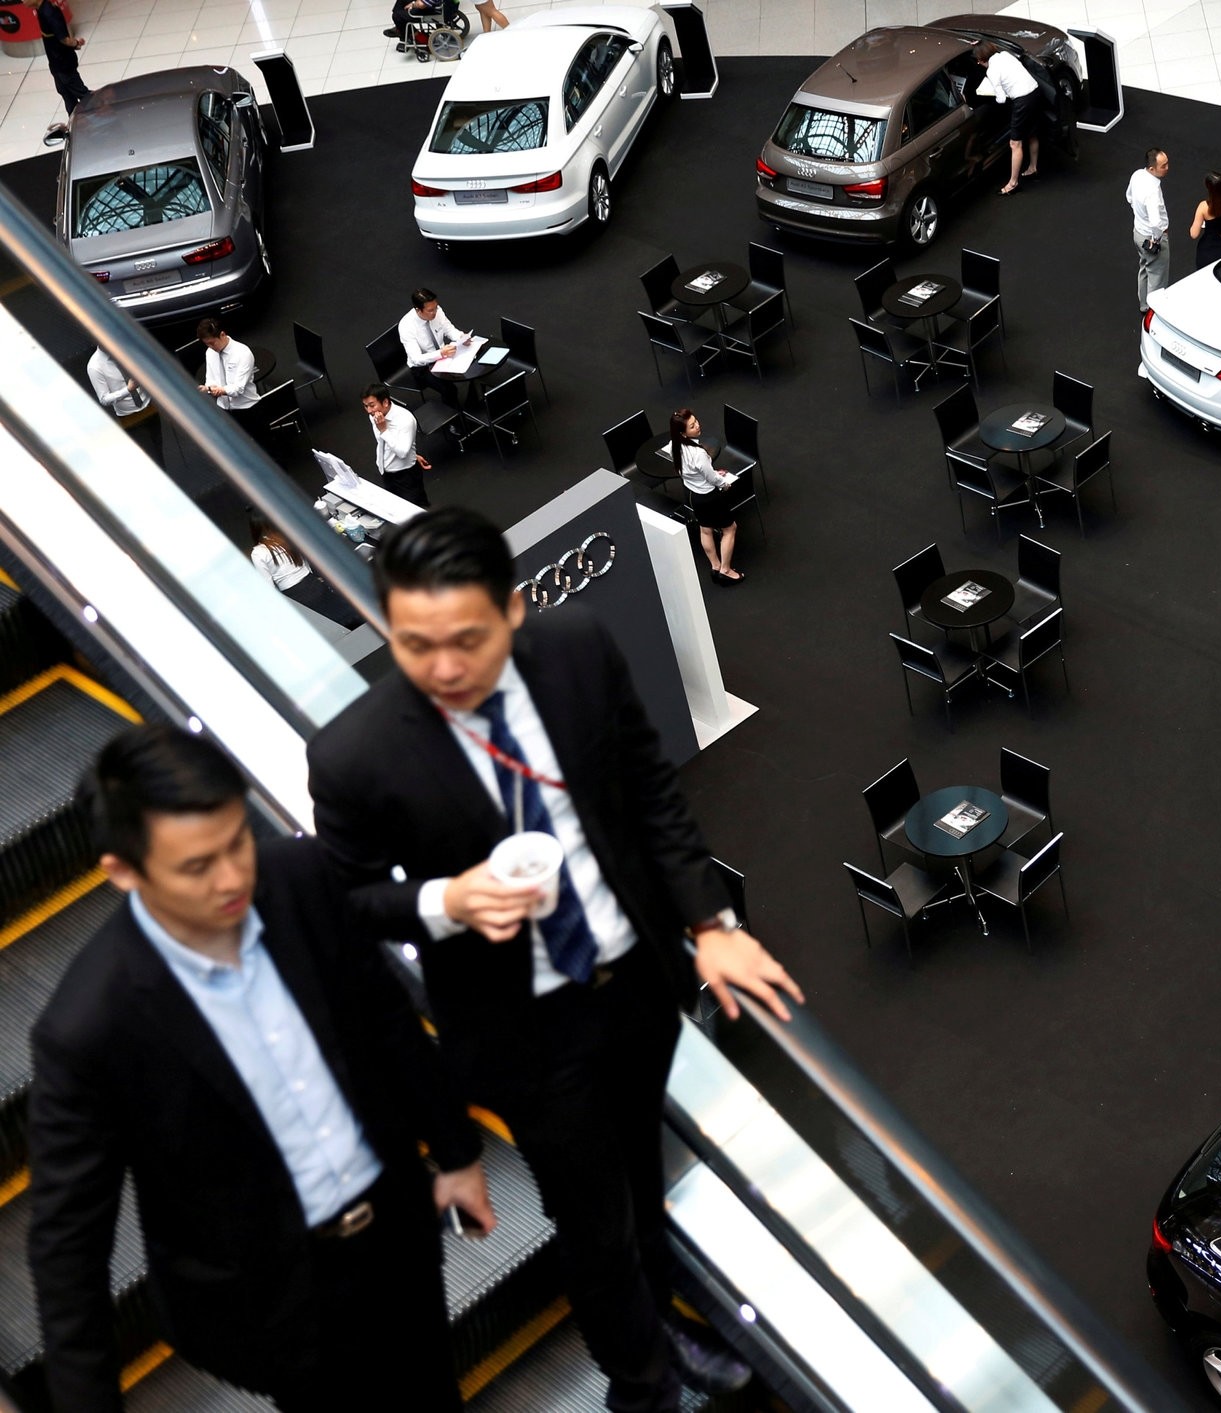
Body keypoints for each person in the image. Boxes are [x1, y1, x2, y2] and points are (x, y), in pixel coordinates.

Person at [305, 507, 803, 1411]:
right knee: (591, 1215)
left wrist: (710, 923)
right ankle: (639, 1382)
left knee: (639, 1175)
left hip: (637, 981)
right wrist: (443, 901)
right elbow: (347, 901)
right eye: (415, 645)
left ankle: (660, 1317)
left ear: (517, 608)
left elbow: (649, 788)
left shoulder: (576, 650)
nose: (444, 669)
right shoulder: (353, 755)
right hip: (522, 1027)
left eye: (467, 640)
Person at [29, 725, 493, 1413]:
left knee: (433, 1389)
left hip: (397, 1229)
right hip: (273, 1299)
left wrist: (456, 1152)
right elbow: (69, 1245)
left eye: (237, 842)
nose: (232, 878)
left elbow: (383, 1013)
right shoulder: (89, 1028)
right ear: (123, 871)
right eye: (196, 866)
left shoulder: (299, 878)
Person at [250, 511, 366, 629]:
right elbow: (306, 562)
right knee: (346, 614)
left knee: (329, 627)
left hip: (295, 595)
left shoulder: (259, 553)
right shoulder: (289, 537)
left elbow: (269, 588)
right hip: (313, 584)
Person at [672, 408, 743, 585]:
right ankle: (726, 570)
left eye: (696, 421)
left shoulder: (675, 448)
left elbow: (692, 473)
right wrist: (724, 483)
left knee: (706, 529)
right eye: (692, 425)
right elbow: (711, 478)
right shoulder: (698, 453)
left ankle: (715, 566)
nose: (697, 426)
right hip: (710, 497)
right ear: (683, 432)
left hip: (695, 496)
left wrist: (709, 473)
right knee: (730, 529)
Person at [973, 40, 1039, 195]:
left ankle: (1013, 183)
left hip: (1022, 100)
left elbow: (1001, 99)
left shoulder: (991, 71)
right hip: (1035, 91)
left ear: (982, 60)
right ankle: (1033, 167)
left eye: (978, 60)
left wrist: (994, 92)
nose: (978, 63)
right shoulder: (1005, 55)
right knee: (1032, 133)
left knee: (1015, 144)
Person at [86, 345, 161, 461]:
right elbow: (104, 399)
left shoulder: (124, 347)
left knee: (159, 448)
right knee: (149, 457)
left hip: (149, 404)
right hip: (130, 416)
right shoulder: (94, 366)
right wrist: (128, 390)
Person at [363, 382, 431, 506]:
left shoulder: (405, 419)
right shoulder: (375, 416)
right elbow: (383, 443)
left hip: (406, 476)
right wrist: (413, 454)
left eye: (372, 405)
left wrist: (383, 430)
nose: (369, 411)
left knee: (417, 512)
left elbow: (403, 452)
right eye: (366, 406)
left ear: (385, 402)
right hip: (386, 472)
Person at [1126, 147, 1170, 318]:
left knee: (1145, 267)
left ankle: (1144, 303)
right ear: (1152, 169)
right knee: (1157, 277)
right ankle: (1154, 313)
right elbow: (1156, 223)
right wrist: (1158, 239)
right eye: (1163, 166)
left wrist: (1139, 215)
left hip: (1138, 233)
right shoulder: (1152, 191)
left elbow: (1129, 197)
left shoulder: (1137, 175)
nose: (1167, 167)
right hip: (1152, 238)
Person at [195, 317, 260, 429]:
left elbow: (238, 389)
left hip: (246, 409)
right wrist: (207, 388)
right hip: (223, 410)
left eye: (212, 343)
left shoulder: (243, 353)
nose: (211, 347)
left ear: (222, 335)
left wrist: (219, 390)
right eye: (207, 344)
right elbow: (210, 380)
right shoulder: (210, 353)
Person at [38, 0, 89, 141]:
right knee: (65, 93)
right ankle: (76, 126)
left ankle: (103, 114)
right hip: (56, 63)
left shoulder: (49, 12)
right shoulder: (42, 10)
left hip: (63, 63)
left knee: (82, 94)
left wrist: (76, 43)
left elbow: (64, 39)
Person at [400, 287, 467, 373]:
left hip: (443, 357)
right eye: (430, 310)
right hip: (423, 366)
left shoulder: (437, 310)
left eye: (436, 307)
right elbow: (416, 359)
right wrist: (440, 353)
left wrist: (461, 337)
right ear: (418, 310)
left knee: (471, 368)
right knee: (449, 386)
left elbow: (449, 329)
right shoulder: (406, 326)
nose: (435, 312)